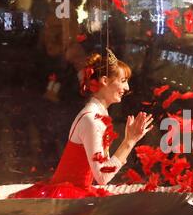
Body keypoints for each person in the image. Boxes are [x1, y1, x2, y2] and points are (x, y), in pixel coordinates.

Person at [10, 49, 153, 199]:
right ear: (104, 81)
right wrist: (129, 142)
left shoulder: (99, 115)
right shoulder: (91, 119)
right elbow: (103, 177)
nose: (127, 88)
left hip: (78, 193)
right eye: (123, 81)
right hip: (67, 198)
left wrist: (130, 140)